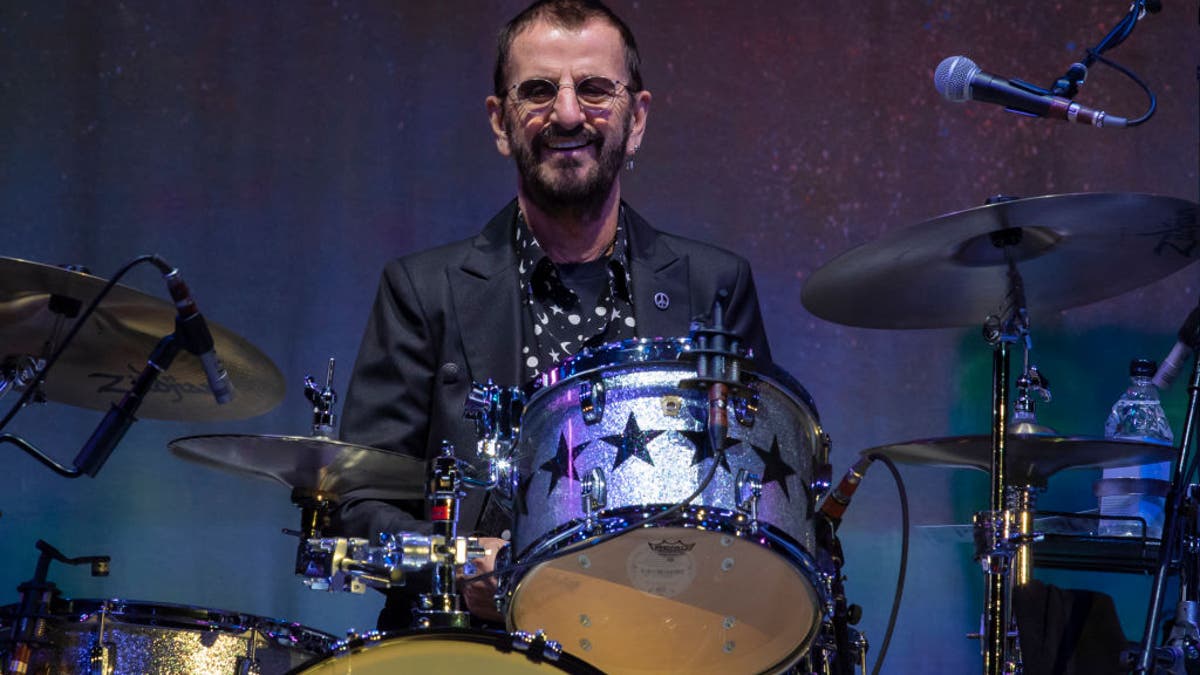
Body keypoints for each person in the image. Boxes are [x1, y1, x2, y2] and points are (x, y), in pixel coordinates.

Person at [336, 0, 772, 631]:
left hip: (664, 640)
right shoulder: (421, 290)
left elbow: (757, 491)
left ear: (638, 117)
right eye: (538, 91)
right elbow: (360, 495)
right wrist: (455, 565)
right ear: (500, 121)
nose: (567, 113)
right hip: (469, 647)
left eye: (595, 89)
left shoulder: (715, 286)